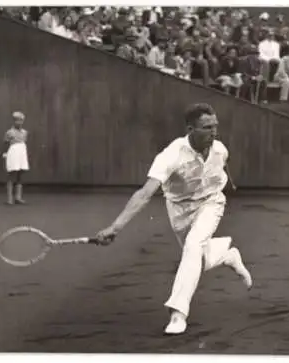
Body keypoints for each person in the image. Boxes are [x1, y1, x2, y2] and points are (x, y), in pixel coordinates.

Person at [96, 103, 253, 335]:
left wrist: (228, 181)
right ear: (190, 129)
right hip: (178, 209)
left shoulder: (220, 149)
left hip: (211, 202)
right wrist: (115, 227)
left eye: (215, 126)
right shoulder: (171, 155)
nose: (213, 132)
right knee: (197, 259)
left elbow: (222, 164)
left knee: (192, 246)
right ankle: (227, 255)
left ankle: (178, 313)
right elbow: (144, 193)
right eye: (206, 127)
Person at [2, 111, 29, 205]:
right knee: (11, 174)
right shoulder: (9, 132)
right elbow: (6, 143)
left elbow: (23, 143)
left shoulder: (24, 132)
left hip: (21, 153)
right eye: (17, 120)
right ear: (14, 121)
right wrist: (5, 153)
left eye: (21, 120)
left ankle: (18, 197)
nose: (19, 122)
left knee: (20, 175)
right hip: (13, 153)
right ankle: (9, 198)